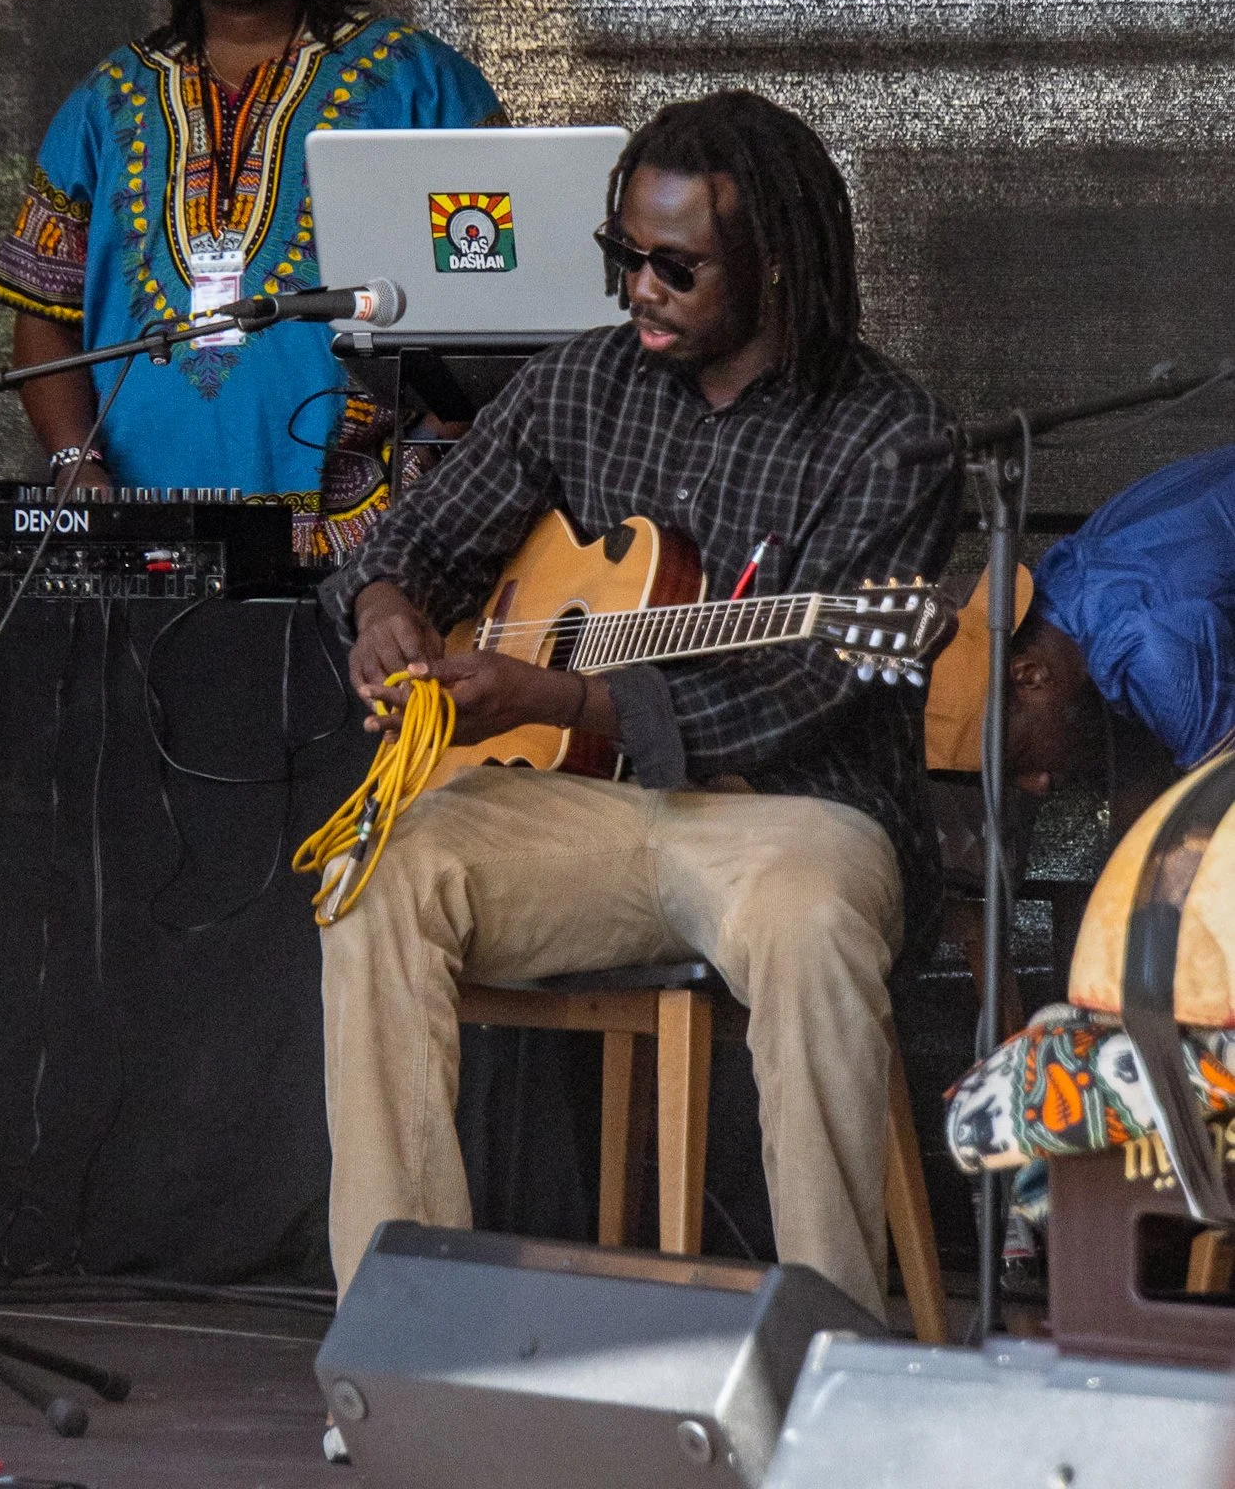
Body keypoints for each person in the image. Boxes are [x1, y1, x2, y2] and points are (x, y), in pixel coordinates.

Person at [315, 90, 962, 1319]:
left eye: (675, 265)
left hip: (791, 813)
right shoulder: (582, 386)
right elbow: (410, 544)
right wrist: (385, 606)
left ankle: (832, 1341)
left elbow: (805, 694)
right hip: (588, 817)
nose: (638, 290)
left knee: (810, 918)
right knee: (378, 876)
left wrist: (555, 694)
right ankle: (403, 1328)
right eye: (622, 255)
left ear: (776, 262)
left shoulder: (892, 437)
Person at [0, 0, 503, 504]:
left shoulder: (418, 80)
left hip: (375, 525)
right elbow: (44, 311)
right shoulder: (104, 104)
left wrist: (453, 434)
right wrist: (76, 460)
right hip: (147, 519)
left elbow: (504, 277)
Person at [1004, 445, 1235, 799]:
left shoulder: (1144, 653)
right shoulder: (1065, 586)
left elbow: (1224, 815)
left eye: (1018, 762)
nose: (1037, 785)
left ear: (1029, 675)